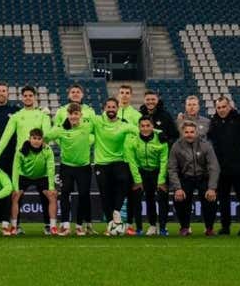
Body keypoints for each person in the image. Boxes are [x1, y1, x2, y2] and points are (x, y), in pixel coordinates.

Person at [88, 98, 139, 234]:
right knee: (105, 194)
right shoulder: (97, 121)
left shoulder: (123, 124)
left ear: (118, 109)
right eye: (108, 107)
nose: (111, 109)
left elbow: (142, 130)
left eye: (113, 107)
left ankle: (116, 211)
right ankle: (110, 224)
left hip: (118, 161)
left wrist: (158, 133)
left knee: (124, 181)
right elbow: (81, 123)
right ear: (105, 108)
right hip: (101, 163)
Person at [45, 103, 94, 236]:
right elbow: (46, 137)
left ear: (81, 115)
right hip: (66, 167)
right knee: (65, 195)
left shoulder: (88, 126)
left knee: (83, 196)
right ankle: (65, 226)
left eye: (76, 114)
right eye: (71, 114)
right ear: (68, 115)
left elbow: (100, 131)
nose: (73, 117)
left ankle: (79, 226)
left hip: (84, 167)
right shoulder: (61, 128)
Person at [208, 95, 240, 236]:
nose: (221, 110)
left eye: (224, 107)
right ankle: (225, 227)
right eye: (218, 107)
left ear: (230, 106)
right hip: (222, 170)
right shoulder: (213, 122)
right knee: (223, 200)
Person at [167, 122, 219, 236]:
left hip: (203, 177)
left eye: (192, 132)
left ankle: (209, 228)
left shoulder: (205, 145)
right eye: (186, 132)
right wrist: (178, 188)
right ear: (182, 133)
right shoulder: (176, 146)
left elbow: (214, 167)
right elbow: (172, 168)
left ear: (196, 132)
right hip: (186, 178)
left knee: (211, 198)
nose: (189, 134)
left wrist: (212, 188)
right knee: (179, 199)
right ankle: (184, 227)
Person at [7, 128, 57, 236]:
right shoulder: (21, 151)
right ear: (29, 139)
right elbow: (15, 170)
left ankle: (51, 226)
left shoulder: (47, 150)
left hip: (42, 176)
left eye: (39, 139)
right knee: (16, 197)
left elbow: (51, 169)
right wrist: (15, 188)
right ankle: (15, 226)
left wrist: (51, 187)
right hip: (24, 176)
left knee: (51, 197)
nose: (36, 141)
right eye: (34, 138)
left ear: (42, 140)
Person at [126, 116, 169, 237]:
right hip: (141, 172)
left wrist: (161, 180)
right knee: (145, 198)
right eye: (142, 126)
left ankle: (163, 227)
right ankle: (145, 227)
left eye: (148, 126)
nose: (145, 128)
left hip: (158, 171)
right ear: (138, 127)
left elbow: (164, 160)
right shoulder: (133, 140)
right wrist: (137, 180)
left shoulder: (161, 139)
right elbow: (132, 161)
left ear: (152, 126)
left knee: (162, 198)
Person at [0, 86, 51, 176]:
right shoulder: (15, 116)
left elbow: (47, 136)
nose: (28, 98)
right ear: (21, 98)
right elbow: (5, 138)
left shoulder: (43, 115)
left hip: (39, 159)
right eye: (25, 96)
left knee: (45, 189)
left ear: (35, 97)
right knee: (17, 189)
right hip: (21, 160)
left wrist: (48, 118)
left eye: (30, 95)